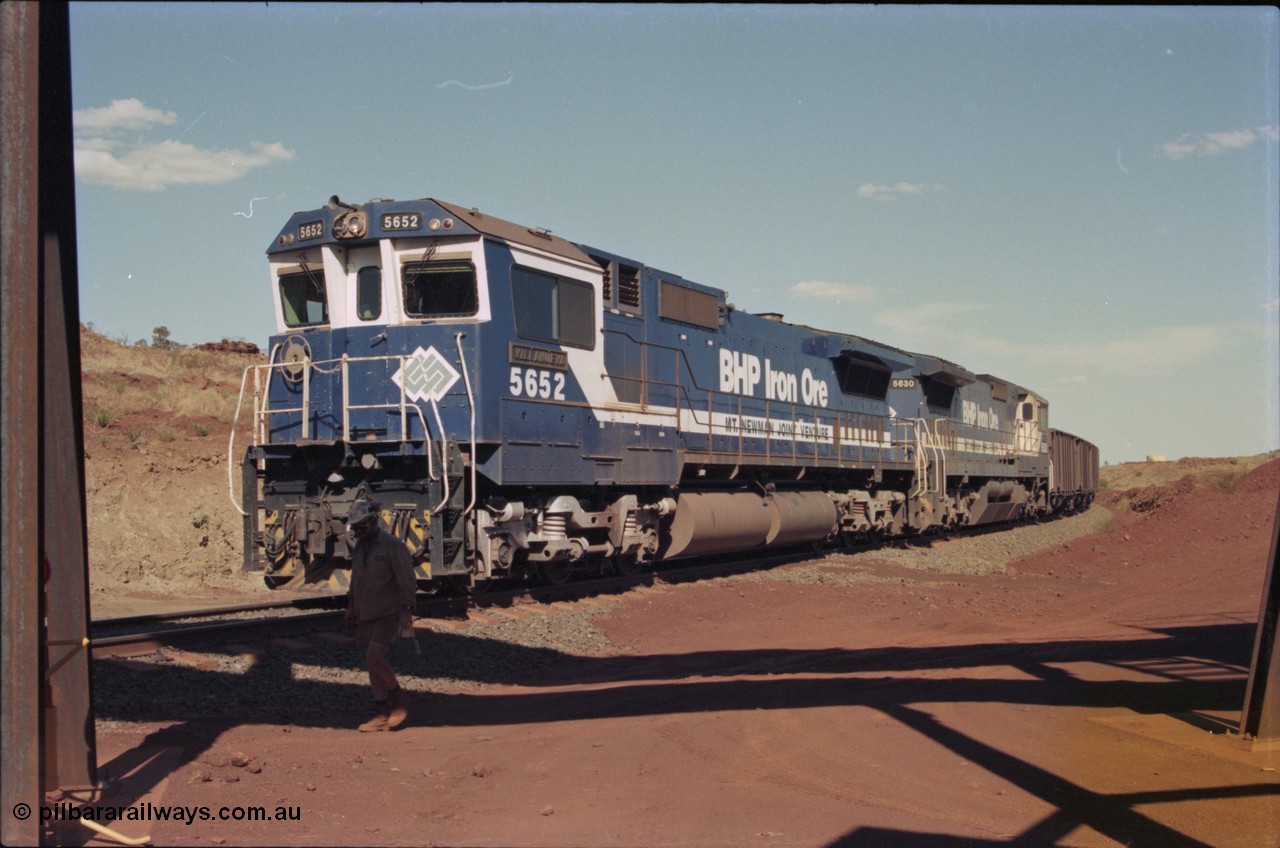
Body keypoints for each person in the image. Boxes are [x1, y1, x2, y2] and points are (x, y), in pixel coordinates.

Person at [343, 500, 417, 731]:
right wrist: (351, 606)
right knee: (371, 664)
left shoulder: (393, 546)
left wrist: (406, 610)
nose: (358, 532)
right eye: (355, 528)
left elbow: (407, 579)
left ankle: (399, 697)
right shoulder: (359, 548)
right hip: (365, 612)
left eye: (362, 527)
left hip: (388, 612)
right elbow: (356, 579)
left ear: (374, 522)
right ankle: (380, 713)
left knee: (374, 659)